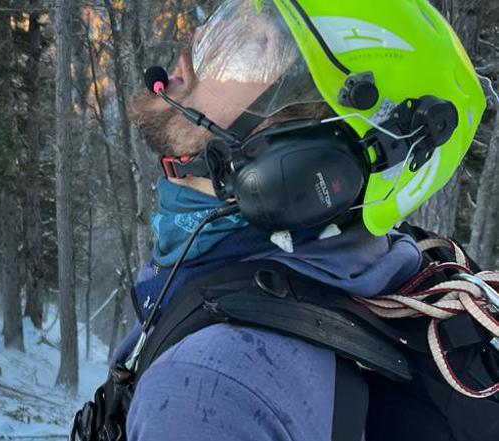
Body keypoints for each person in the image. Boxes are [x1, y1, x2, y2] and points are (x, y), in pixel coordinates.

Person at [95, 0, 487, 440]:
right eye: (219, 25)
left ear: (314, 157)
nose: (188, 52)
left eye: (248, 47)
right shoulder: (382, 267)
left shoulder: (210, 390)